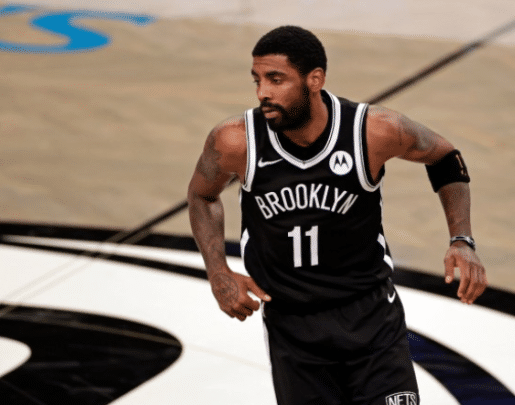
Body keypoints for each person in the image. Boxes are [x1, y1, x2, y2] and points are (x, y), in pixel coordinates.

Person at [187, 25, 487, 405]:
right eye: (257, 80)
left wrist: (462, 240)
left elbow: (445, 158)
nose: (263, 92)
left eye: (276, 79)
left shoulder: (373, 131)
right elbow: (202, 195)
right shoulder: (236, 140)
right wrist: (217, 271)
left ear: (314, 80)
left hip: (371, 320)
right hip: (293, 329)